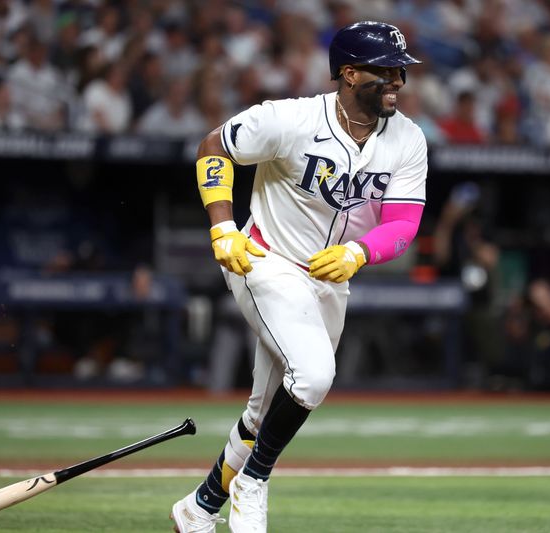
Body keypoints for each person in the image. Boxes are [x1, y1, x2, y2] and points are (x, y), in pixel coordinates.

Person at [171, 21, 427, 533]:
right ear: (349, 73)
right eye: (385, 70)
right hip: (264, 261)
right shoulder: (290, 119)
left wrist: (359, 252)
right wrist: (222, 227)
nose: (398, 79)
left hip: (330, 277)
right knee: (312, 376)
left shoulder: (408, 139)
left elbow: (404, 223)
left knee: (268, 409)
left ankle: (198, 508)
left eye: (401, 69)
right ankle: (254, 480)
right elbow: (212, 147)